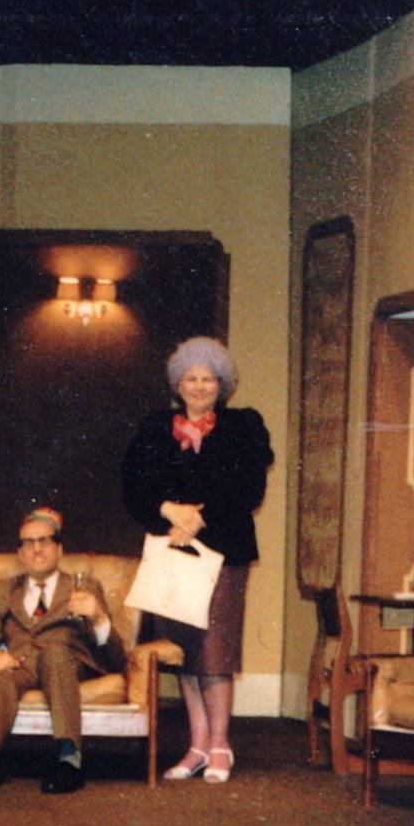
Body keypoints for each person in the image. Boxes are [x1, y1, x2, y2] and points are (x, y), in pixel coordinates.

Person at [122, 335, 274, 784]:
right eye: (191, 377)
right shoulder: (156, 427)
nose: (199, 386)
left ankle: (221, 745)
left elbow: (249, 490)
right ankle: (197, 745)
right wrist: (169, 510)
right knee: (184, 651)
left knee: (214, 652)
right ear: (178, 383)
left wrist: (197, 519)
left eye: (208, 378)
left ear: (222, 384)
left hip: (223, 552)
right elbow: (134, 486)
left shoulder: (243, 426)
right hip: (171, 551)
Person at [0, 508, 125, 796]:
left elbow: (115, 660)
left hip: (66, 662)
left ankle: (69, 760)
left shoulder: (84, 586)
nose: (37, 549)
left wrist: (98, 617)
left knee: (54, 652)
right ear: (19, 553)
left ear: (59, 549)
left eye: (45, 541)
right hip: (20, 665)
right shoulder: (5, 589)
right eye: (28, 542)